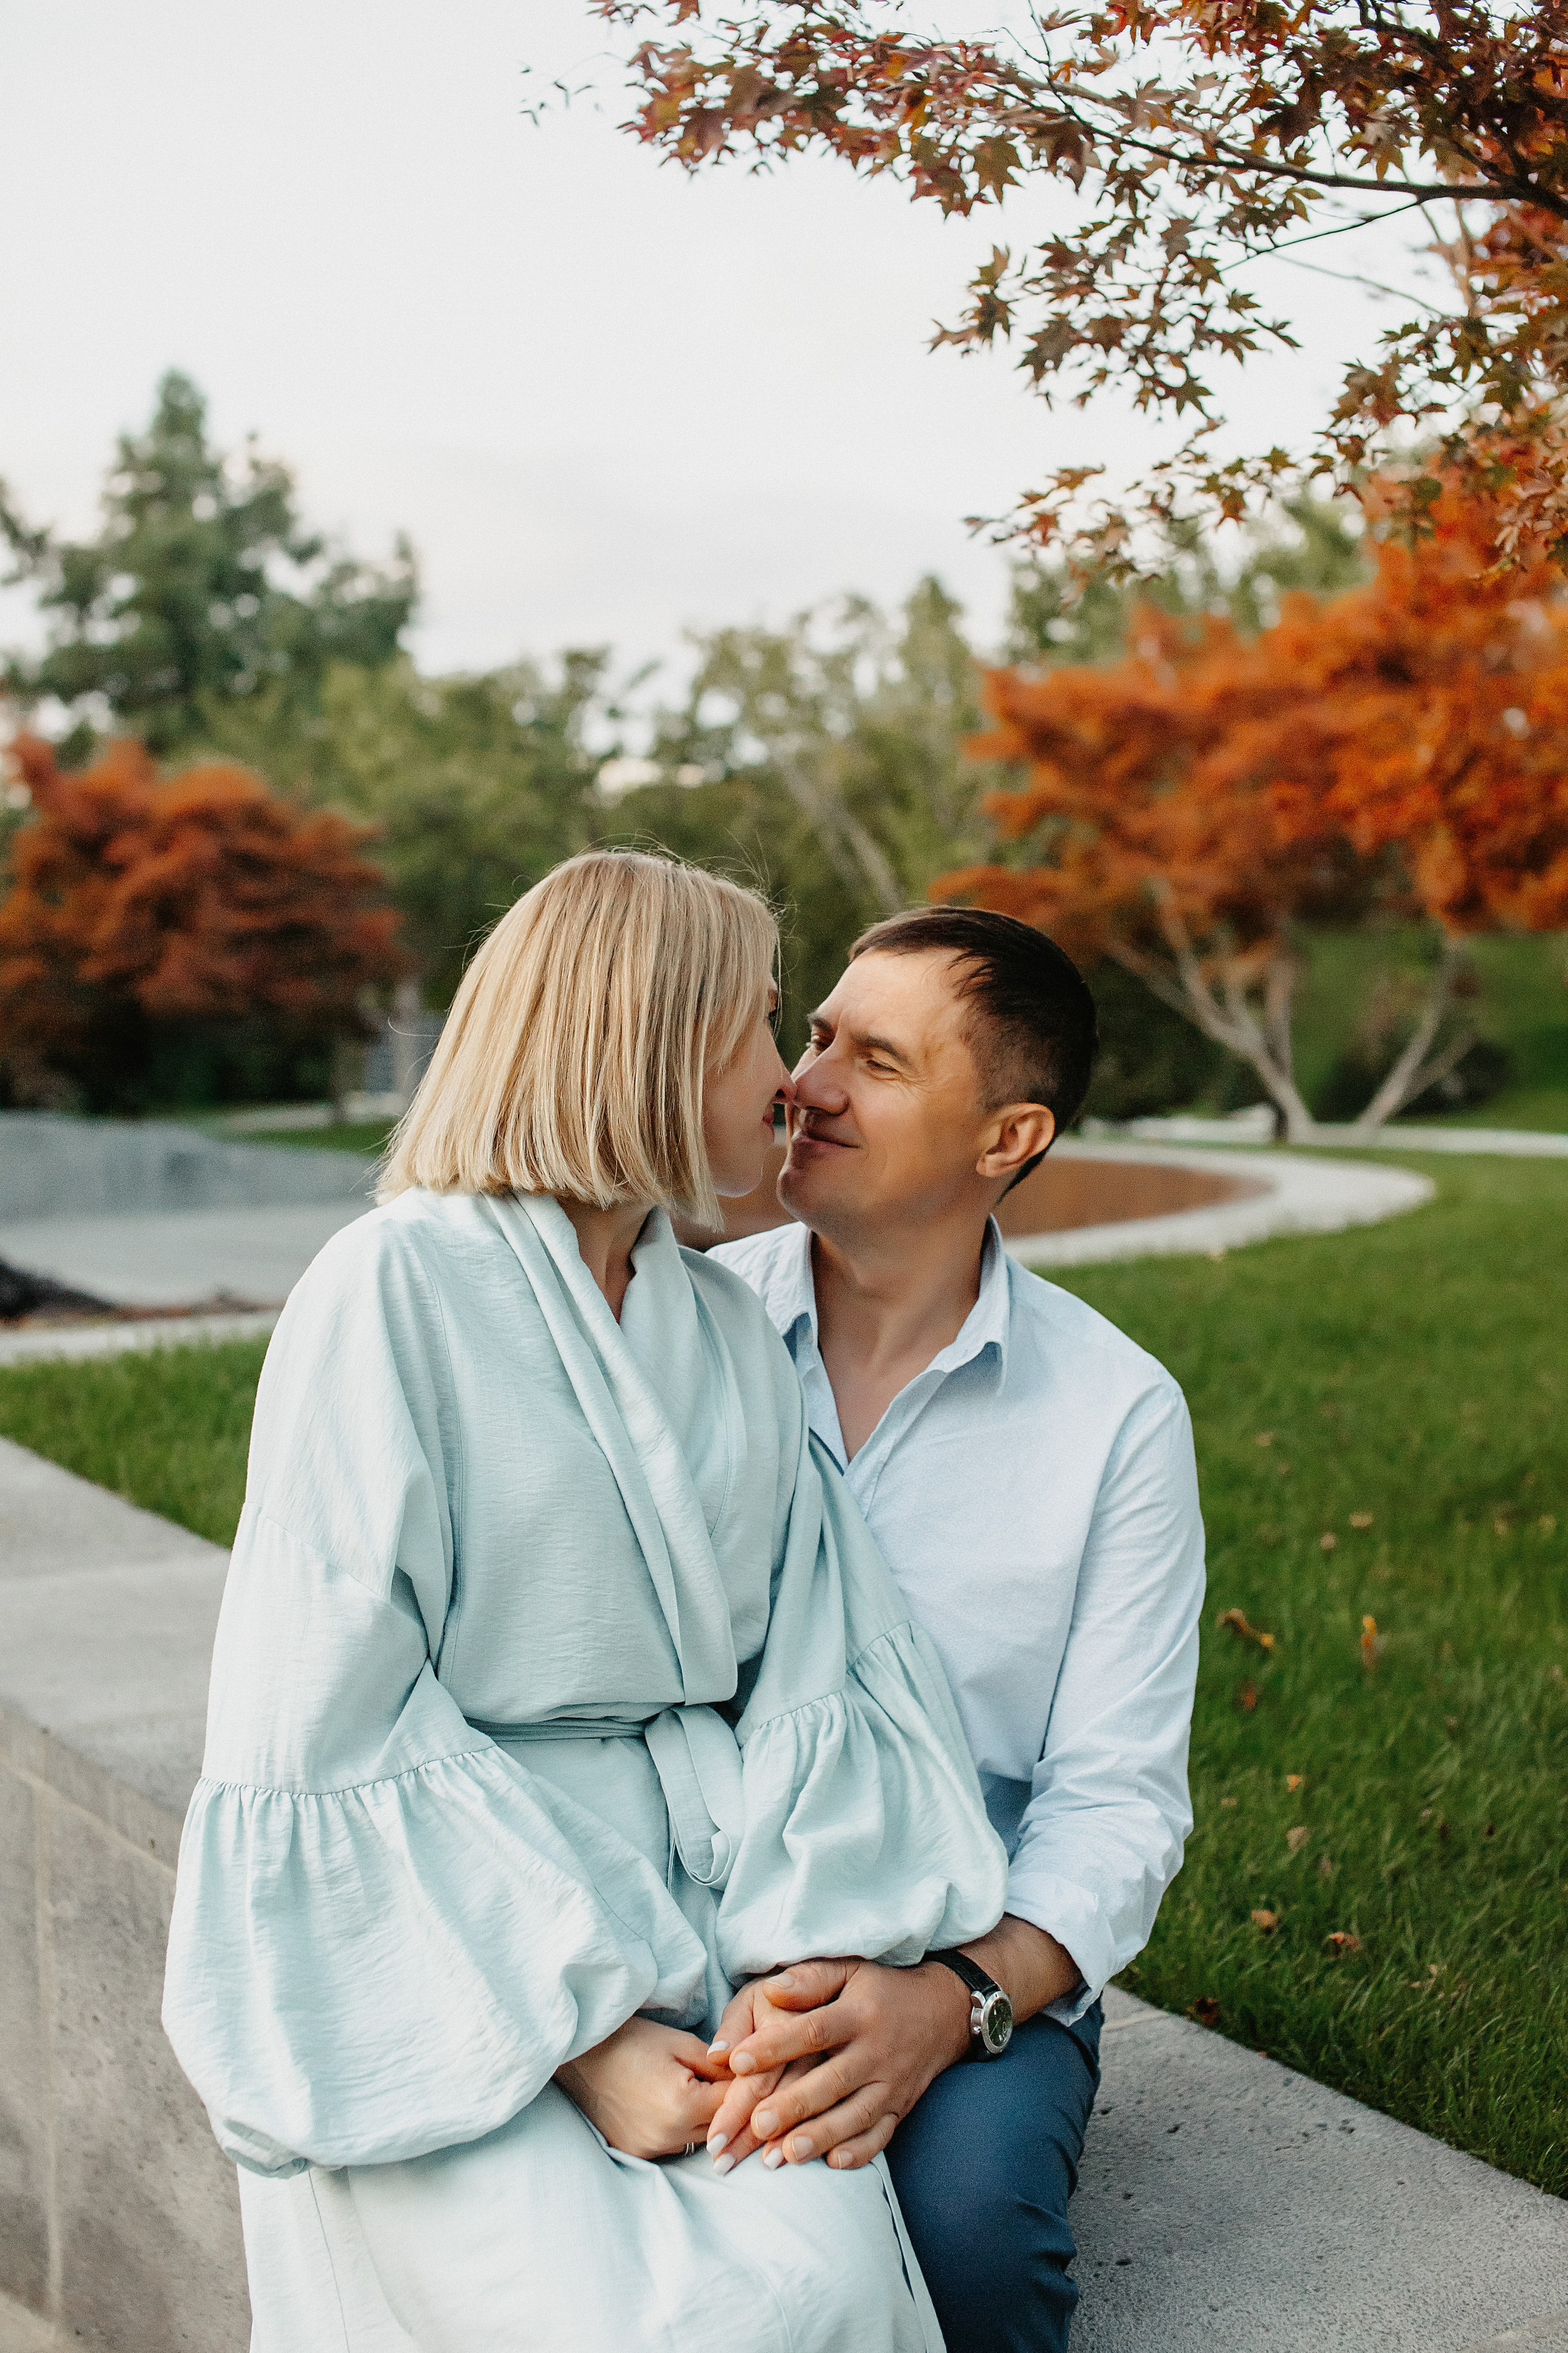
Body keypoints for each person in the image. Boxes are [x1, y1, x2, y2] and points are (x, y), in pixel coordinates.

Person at [162, 854, 1011, 2353]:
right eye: (760, 1027)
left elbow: (819, 1659)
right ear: (651, 1038)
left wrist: (793, 1968)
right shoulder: (389, 1294)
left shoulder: (725, 1333)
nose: (789, 1080)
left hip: (717, 1933)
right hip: (469, 1963)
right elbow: (324, 1712)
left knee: (816, 2291)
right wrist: (578, 2032)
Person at [706, 905, 1207, 2353]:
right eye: (813, 1038)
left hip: (964, 1949)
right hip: (690, 1918)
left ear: (1007, 1136)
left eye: (875, 1059)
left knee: (968, 2240)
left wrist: (956, 2000)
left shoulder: (1114, 1416)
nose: (805, 1083)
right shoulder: (681, 1337)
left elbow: (1113, 1801)